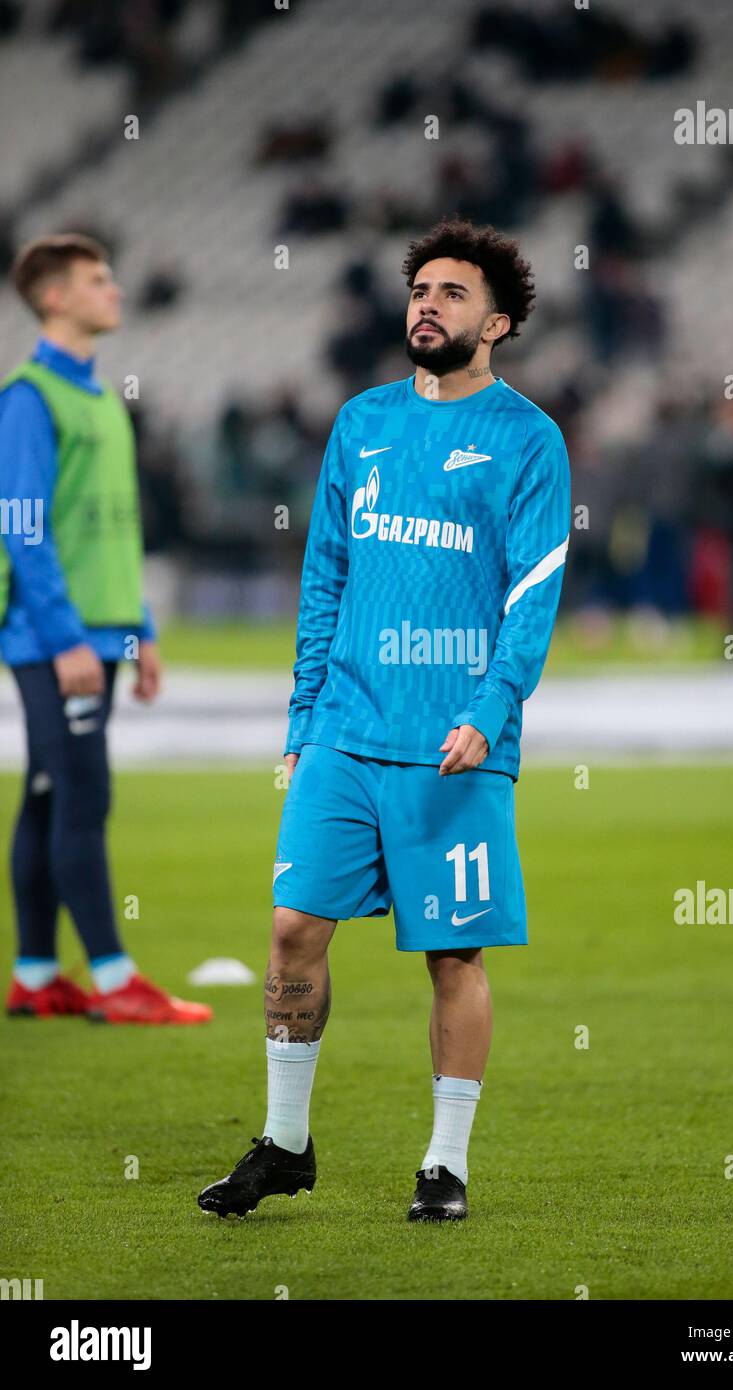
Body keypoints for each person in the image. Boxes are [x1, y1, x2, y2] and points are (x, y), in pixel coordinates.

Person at [198, 216, 570, 1221]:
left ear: (495, 322)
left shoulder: (528, 440)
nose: (426, 305)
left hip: (453, 743)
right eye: (420, 290)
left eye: (452, 294)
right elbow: (325, 572)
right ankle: (284, 1143)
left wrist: (491, 711)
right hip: (343, 730)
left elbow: (532, 590)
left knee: (452, 955)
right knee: (289, 931)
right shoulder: (360, 423)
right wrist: (301, 712)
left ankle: (444, 1165)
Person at [0, 233, 211, 1026]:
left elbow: (116, 537)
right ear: (55, 297)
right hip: (61, 636)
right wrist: (65, 641)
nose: (115, 290)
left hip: (105, 629)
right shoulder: (28, 398)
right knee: (83, 793)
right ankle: (117, 981)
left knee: (49, 795)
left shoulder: (99, 399)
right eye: (98, 279)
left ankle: (35, 974)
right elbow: (21, 528)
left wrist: (143, 631)